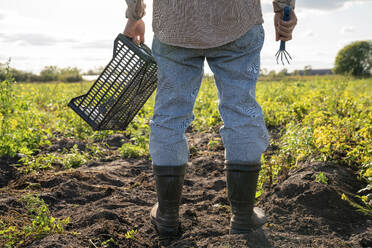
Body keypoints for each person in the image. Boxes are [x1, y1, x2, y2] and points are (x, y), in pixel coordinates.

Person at [123, 0, 297, 237]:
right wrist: (283, 8)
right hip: (237, 21)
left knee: (169, 118)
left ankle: (167, 217)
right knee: (241, 112)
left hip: (174, 24)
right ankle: (243, 217)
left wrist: (135, 15)